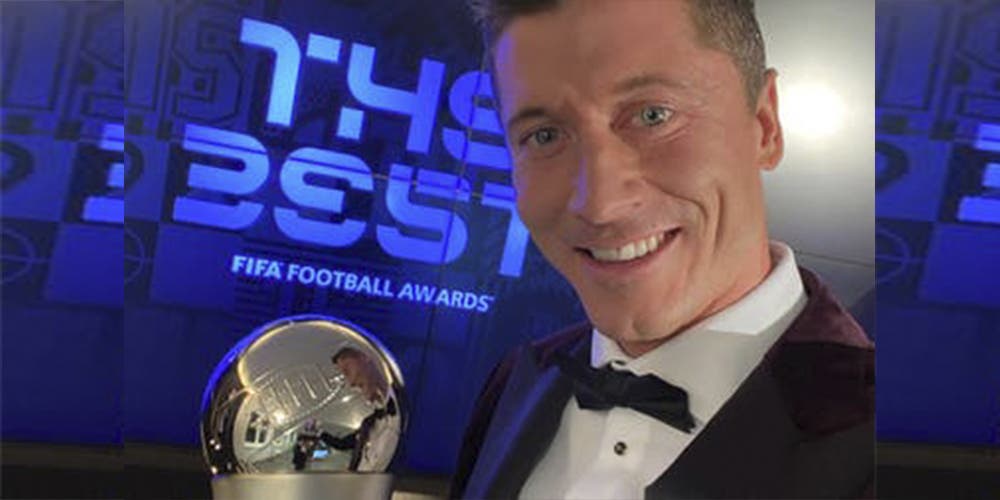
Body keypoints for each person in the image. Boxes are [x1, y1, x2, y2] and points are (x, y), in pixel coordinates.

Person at [450, 1, 874, 498]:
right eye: (543, 136)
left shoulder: (872, 430)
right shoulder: (517, 381)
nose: (600, 204)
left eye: (653, 115)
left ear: (764, 124)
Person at [292, 347, 399, 471]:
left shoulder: (405, 407)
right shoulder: (368, 425)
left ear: (365, 357)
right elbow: (341, 444)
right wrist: (319, 434)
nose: (351, 383)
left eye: (347, 371)